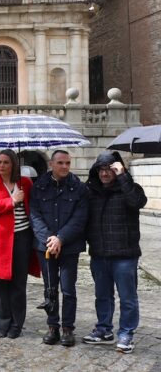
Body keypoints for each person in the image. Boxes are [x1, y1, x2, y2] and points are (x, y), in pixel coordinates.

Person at [83, 151, 147, 354]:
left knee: (127, 297)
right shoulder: (90, 191)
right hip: (99, 253)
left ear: (118, 169)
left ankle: (126, 333)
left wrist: (123, 176)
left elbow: (138, 202)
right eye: (101, 169)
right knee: (102, 296)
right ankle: (104, 330)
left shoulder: (130, 188)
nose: (104, 173)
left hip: (124, 255)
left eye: (109, 169)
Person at [30, 150, 88, 346]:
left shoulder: (79, 188)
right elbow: (35, 216)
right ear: (52, 165)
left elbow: (80, 218)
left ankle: (67, 328)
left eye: (68, 163)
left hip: (69, 247)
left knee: (68, 289)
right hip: (45, 246)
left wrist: (60, 239)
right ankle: (52, 326)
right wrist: (50, 240)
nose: (65, 167)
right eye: (61, 163)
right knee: (50, 288)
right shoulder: (38, 187)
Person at [0, 149, 40, 338]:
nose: (2, 166)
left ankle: (16, 324)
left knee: (18, 283)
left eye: (6, 162)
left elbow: (34, 207)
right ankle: (1, 323)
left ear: (14, 164)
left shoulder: (25, 183)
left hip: (22, 238)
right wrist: (12, 201)